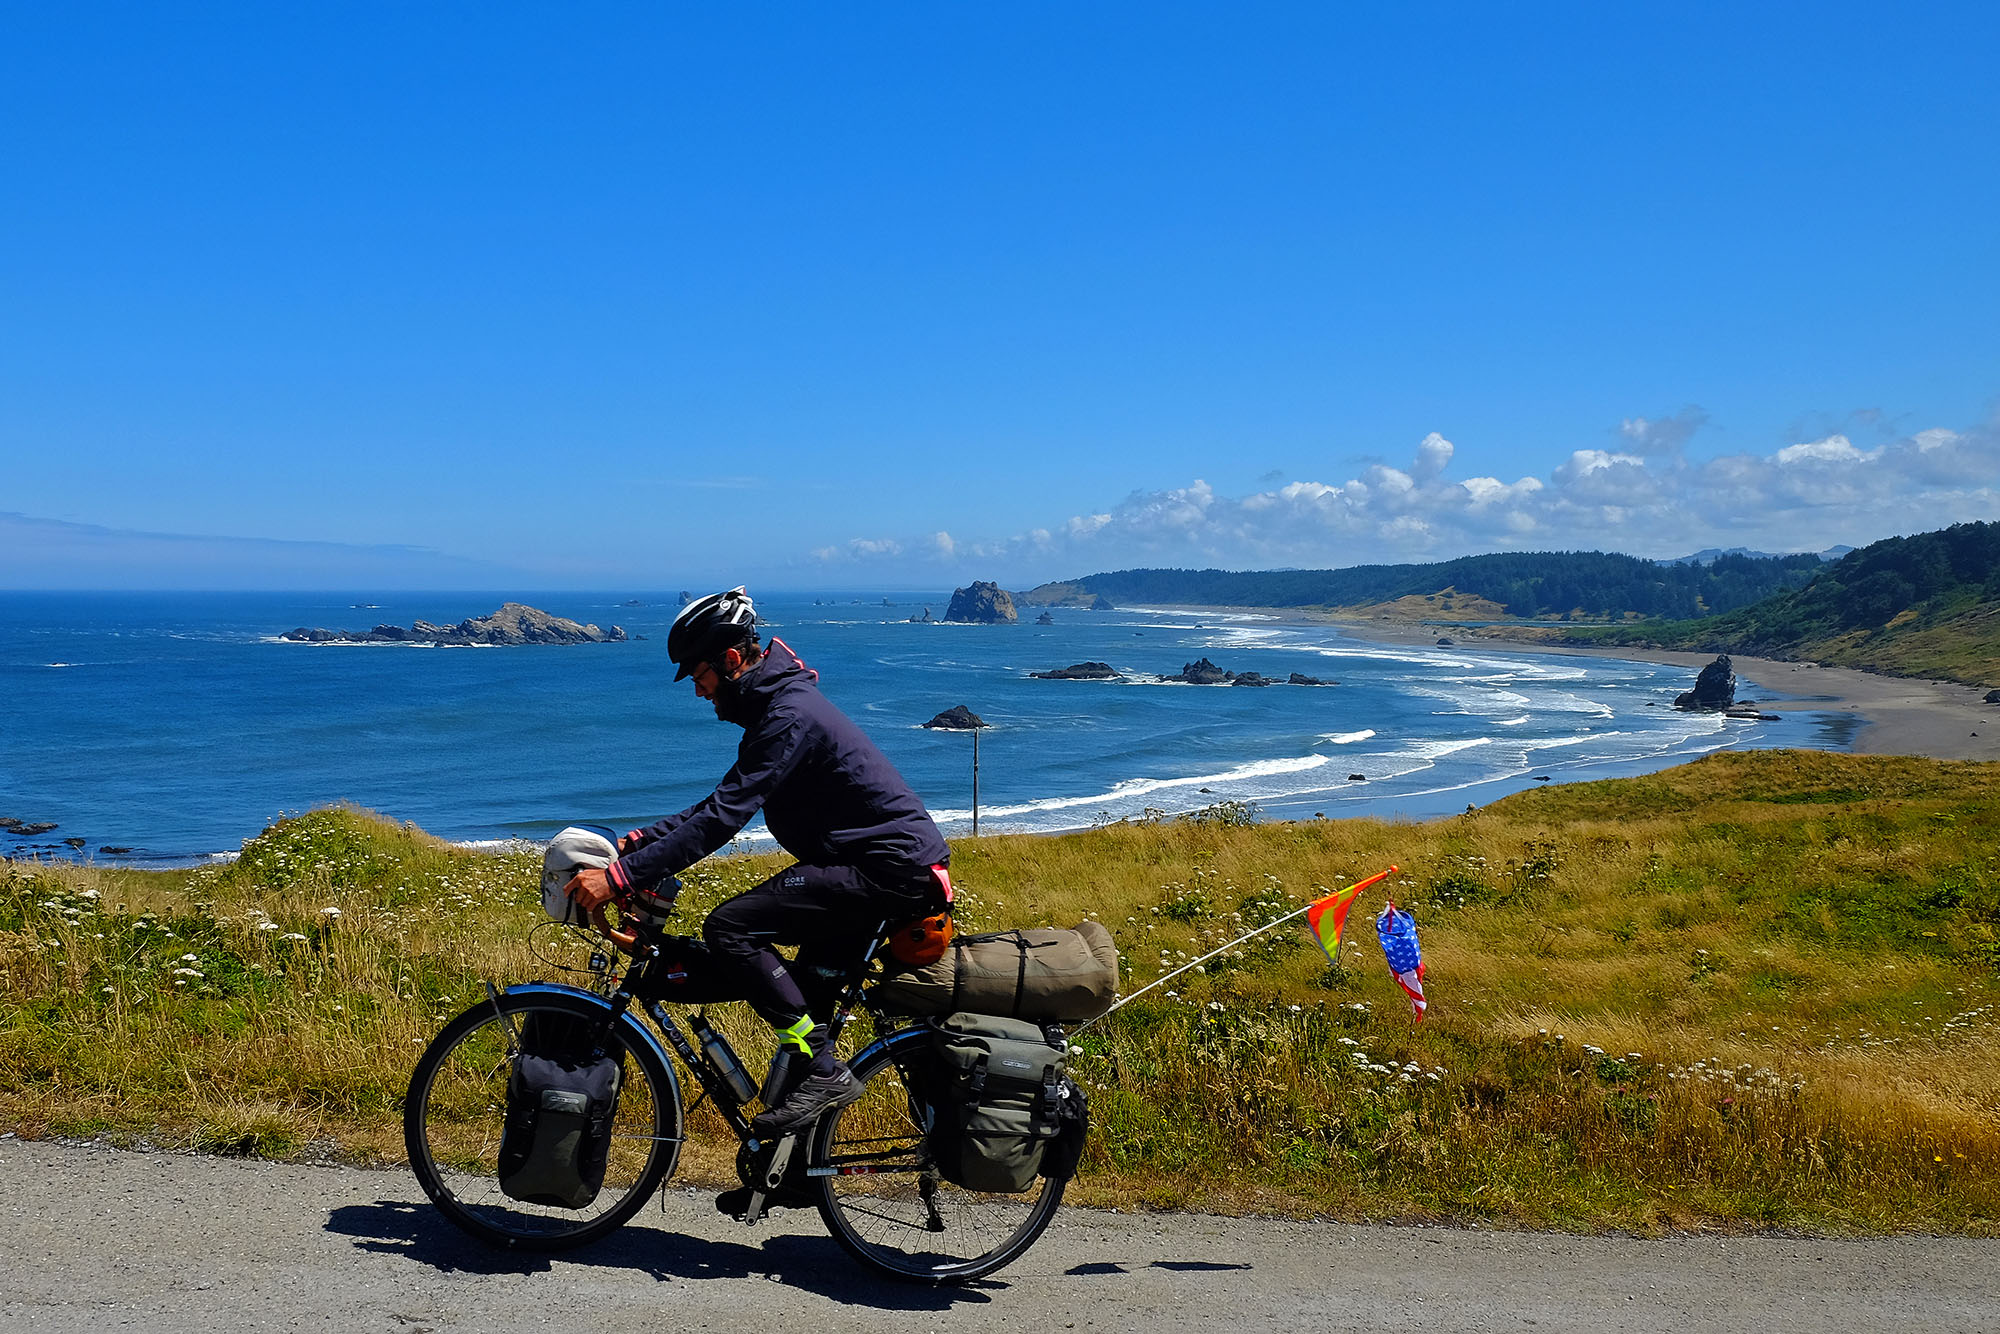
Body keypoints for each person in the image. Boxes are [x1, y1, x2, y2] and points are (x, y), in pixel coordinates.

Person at [564, 587, 952, 1141]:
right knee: (796, 993)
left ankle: (824, 1070)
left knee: (730, 927)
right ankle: (794, 1171)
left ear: (730, 661)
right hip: (883, 868)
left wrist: (620, 878)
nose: (699, 694)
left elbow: (723, 819)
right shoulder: (776, 709)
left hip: (889, 872)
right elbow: (717, 803)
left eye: (698, 678)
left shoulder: (788, 716)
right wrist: (640, 842)